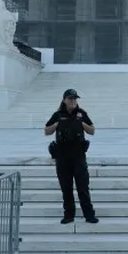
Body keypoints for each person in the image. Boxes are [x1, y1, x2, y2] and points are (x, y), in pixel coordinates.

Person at [44, 89, 98, 224]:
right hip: (62, 157)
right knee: (66, 187)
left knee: (83, 187)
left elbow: (92, 130)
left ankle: (89, 215)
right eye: (70, 99)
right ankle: (69, 215)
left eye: (75, 99)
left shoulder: (81, 114)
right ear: (64, 100)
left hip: (78, 156)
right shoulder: (57, 114)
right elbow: (46, 131)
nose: (73, 101)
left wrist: (81, 124)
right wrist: (57, 124)